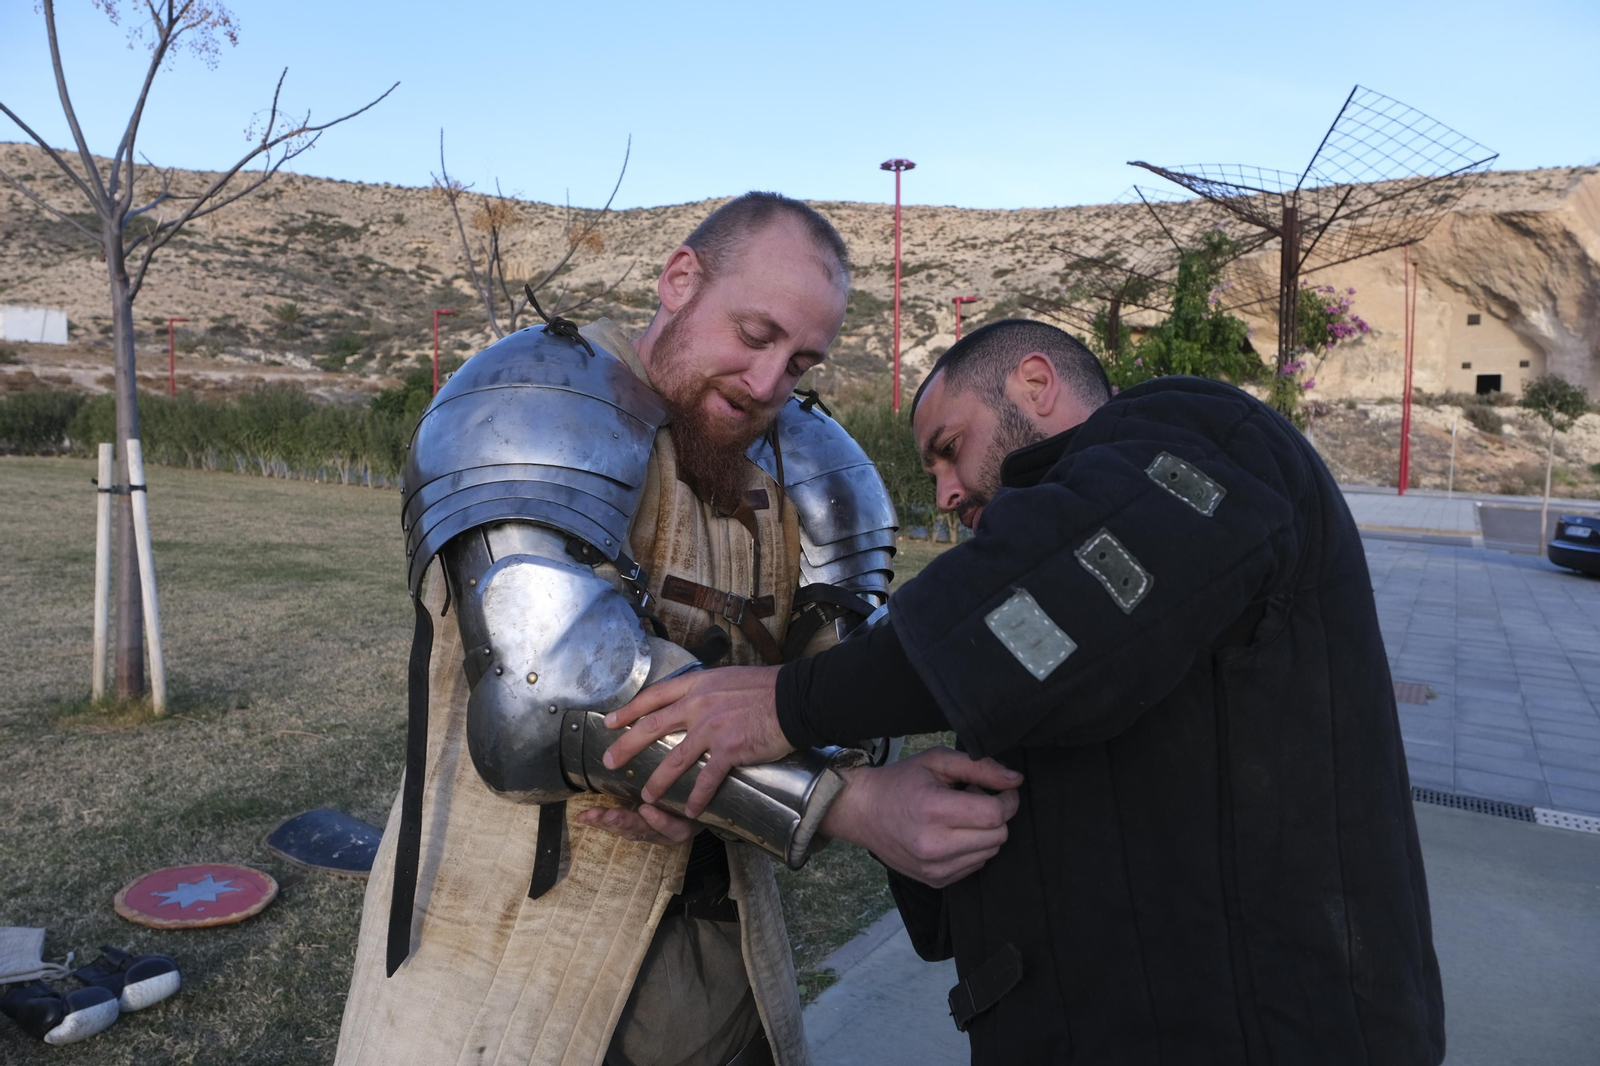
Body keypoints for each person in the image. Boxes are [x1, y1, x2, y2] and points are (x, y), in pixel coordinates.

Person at [605, 318, 1447, 1065]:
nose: (946, 491)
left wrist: (780, 704)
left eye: (949, 446)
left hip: (1263, 1029)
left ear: (1035, 384)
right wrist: (866, 806)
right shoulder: (1049, 615)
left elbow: (1052, 601)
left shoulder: (1201, 431)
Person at [335, 193, 1009, 1066]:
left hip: (729, 972)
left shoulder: (805, 456)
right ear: (681, 279)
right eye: (753, 334)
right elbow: (542, 704)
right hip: (511, 963)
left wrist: (781, 760)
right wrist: (849, 805)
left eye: (801, 360)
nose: (769, 384)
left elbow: (848, 697)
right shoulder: (539, 398)